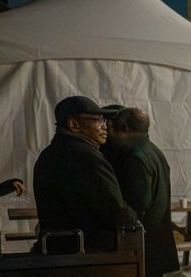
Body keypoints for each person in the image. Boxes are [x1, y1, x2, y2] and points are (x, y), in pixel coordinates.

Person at [33, 96, 137, 253]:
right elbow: (114, 209)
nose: (104, 127)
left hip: (59, 249)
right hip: (88, 252)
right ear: (73, 124)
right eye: (98, 121)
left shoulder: (48, 154)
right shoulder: (86, 157)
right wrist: (132, 219)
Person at [104, 108, 180, 277]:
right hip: (157, 239)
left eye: (110, 126)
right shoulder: (153, 150)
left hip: (145, 242)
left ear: (123, 127)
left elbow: (139, 203)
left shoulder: (135, 157)